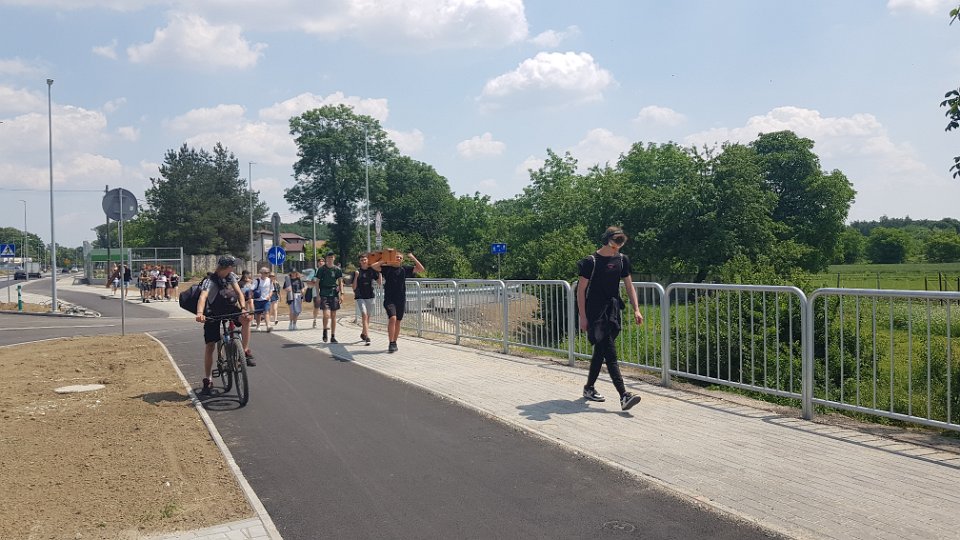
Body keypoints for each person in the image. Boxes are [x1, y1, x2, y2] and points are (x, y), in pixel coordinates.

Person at [577, 226, 644, 411]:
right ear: (607, 240)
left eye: (622, 241)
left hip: (612, 310)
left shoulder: (622, 260)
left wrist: (636, 309)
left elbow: (629, 286)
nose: (619, 245)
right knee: (610, 352)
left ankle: (589, 388)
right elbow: (580, 290)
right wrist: (583, 316)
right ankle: (624, 395)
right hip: (595, 312)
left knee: (601, 351)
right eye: (616, 241)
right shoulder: (590, 261)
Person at [194, 256, 254, 396]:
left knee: (246, 319)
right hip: (212, 313)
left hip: (229, 308)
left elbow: (239, 293)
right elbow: (203, 297)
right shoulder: (210, 280)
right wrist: (200, 313)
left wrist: (243, 308)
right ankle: (208, 379)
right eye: (232, 266)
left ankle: (244, 351)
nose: (234, 268)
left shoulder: (231, 276)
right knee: (210, 345)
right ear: (227, 267)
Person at [371, 251, 424, 353]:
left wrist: (413, 258)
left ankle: (394, 342)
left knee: (398, 321)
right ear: (393, 258)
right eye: (397, 257)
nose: (398, 259)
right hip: (389, 299)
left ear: (402, 260)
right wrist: (384, 260)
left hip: (401, 299)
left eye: (400, 258)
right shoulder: (387, 268)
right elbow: (374, 266)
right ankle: (391, 342)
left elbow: (421, 269)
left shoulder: (404, 269)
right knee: (393, 318)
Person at [311, 252, 344, 343]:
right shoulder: (322, 269)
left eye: (332, 257)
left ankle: (333, 336)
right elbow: (317, 282)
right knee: (326, 315)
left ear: (334, 258)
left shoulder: (337, 269)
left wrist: (342, 294)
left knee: (333, 316)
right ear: (326, 259)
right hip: (324, 293)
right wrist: (318, 295)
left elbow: (340, 282)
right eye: (328, 257)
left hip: (334, 294)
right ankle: (325, 330)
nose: (330, 259)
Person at [352, 253, 381, 346]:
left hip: (370, 296)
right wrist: (356, 276)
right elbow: (354, 287)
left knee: (368, 317)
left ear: (368, 260)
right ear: (359, 262)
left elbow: (379, 282)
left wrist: (380, 272)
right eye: (362, 260)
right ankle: (367, 337)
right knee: (364, 315)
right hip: (360, 296)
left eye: (365, 259)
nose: (364, 261)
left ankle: (363, 333)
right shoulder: (357, 272)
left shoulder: (371, 270)